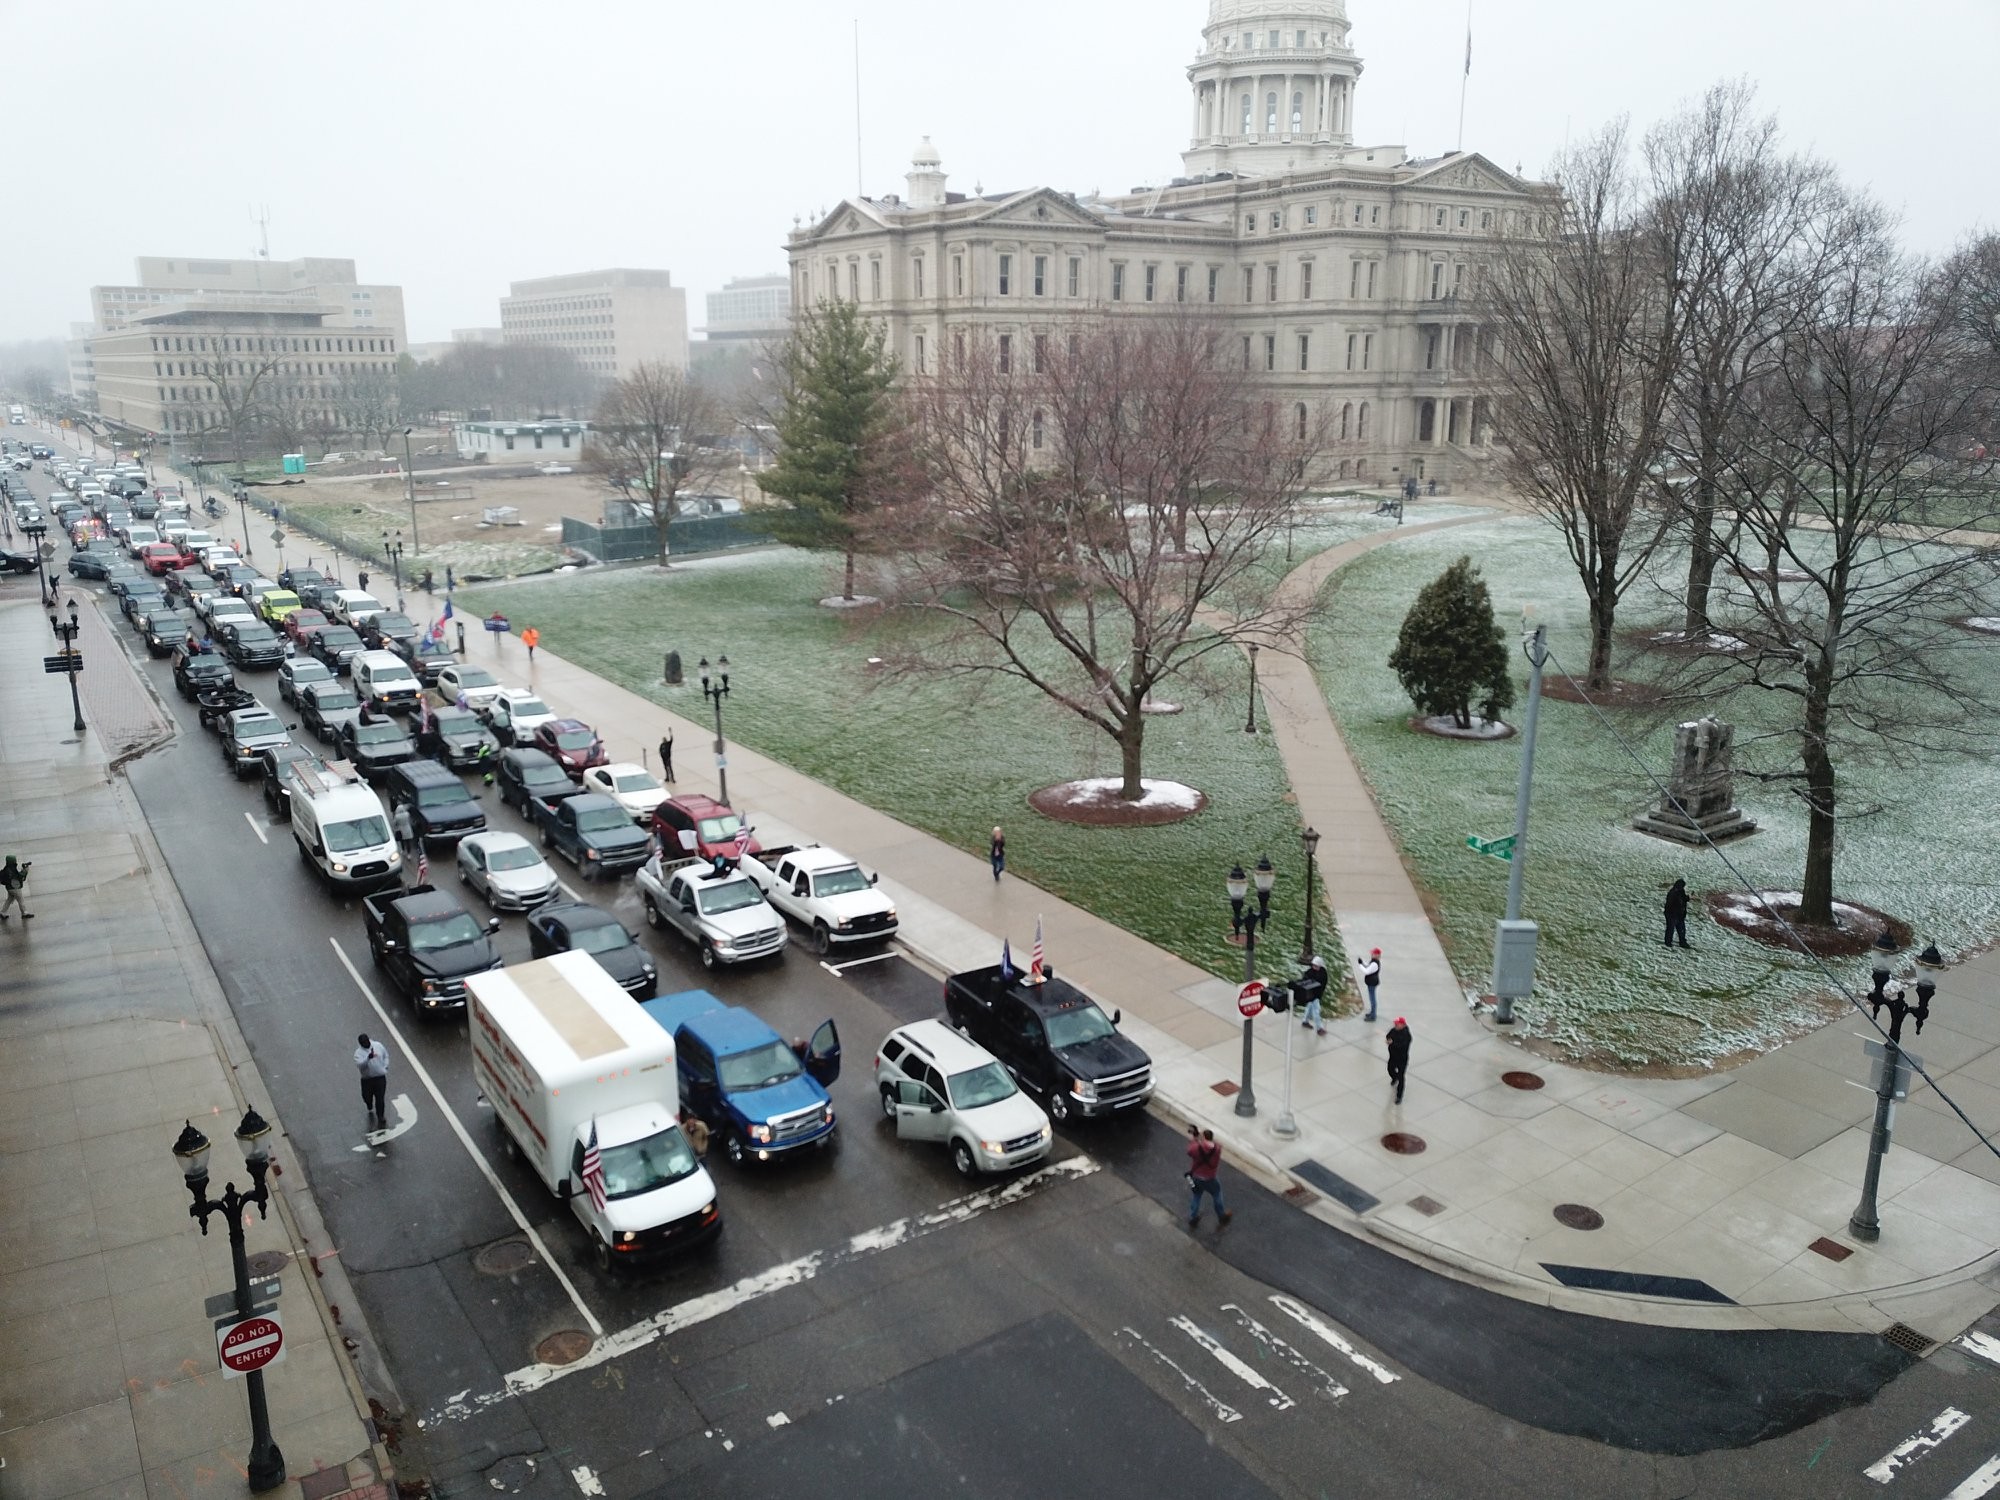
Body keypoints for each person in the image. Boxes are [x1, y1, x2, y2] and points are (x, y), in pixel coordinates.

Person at [1186, 1124, 1231, 1228]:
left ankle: (1193, 1217)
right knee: (1217, 1194)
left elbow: (1189, 1151)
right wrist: (1202, 1139)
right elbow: (1215, 1145)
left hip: (1196, 1176)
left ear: (1203, 1137)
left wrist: (1195, 1140)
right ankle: (1221, 1216)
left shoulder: (1196, 1148)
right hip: (1210, 1178)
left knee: (1196, 1196)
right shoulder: (1217, 1149)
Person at [354, 1033, 390, 1130]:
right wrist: (368, 1058)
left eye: (367, 1042)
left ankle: (380, 1116)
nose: (367, 1044)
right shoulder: (358, 1053)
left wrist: (385, 1066)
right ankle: (369, 1104)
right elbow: (360, 1065)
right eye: (364, 1043)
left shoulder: (378, 1045)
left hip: (379, 1078)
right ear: (361, 1044)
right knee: (366, 1096)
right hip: (367, 1080)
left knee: (380, 1098)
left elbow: (385, 1055)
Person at [1294, 955, 1328, 1037]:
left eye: (1316, 966)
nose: (1314, 967)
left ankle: (1305, 1021)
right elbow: (1305, 982)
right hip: (1311, 995)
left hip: (1316, 995)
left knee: (1309, 1008)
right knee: (1316, 1011)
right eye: (1313, 965)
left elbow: (1322, 984)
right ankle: (1319, 1028)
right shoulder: (1310, 973)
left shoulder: (1323, 973)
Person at [1386, 1018, 1412, 1103]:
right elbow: (1388, 1035)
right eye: (1395, 1024)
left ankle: (1399, 1096)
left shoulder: (1406, 1035)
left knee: (1401, 1077)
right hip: (1393, 1057)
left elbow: (1402, 1046)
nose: (1395, 1025)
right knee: (1390, 1069)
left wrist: (1392, 1043)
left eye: (1397, 1024)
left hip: (1402, 1059)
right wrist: (1388, 1039)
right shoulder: (1394, 1030)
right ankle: (1394, 1077)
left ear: (1403, 1025)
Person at [0, 855, 33, 921]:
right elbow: (19, 876)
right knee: (21, 899)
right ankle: (24, 913)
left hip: (9, 888)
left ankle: (3, 912)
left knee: (9, 900)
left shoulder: (6, 868)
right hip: (15, 887)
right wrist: (25, 871)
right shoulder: (12, 869)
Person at [1664, 878, 1691, 949]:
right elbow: (1669, 904)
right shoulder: (1673, 893)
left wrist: (1687, 898)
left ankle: (1682, 942)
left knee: (1681, 929)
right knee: (1671, 929)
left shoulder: (1680, 891)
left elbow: (1683, 899)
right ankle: (1668, 942)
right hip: (1672, 915)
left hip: (1679, 915)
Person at [1358, 947, 1382, 1021]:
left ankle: (1373, 1016)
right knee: (1372, 998)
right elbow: (1368, 966)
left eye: (1373, 953)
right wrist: (1362, 962)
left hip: (1372, 983)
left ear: (1377, 955)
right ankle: (1372, 1012)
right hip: (1371, 982)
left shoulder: (1375, 963)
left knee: (1372, 999)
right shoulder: (1374, 961)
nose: (1371, 954)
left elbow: (1367, 971)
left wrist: (1360, 966)